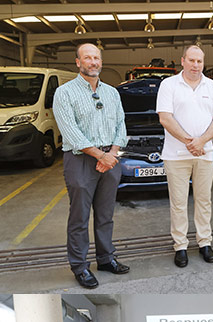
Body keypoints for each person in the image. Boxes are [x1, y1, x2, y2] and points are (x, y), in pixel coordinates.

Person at [52, 43, 129, 289]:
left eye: (96, 57)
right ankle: (80, 266)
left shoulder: (112, 93)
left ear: (101, 61)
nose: (93, 62)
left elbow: (121, 125)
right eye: (88, 58)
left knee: (106, 215)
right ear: (78, 62)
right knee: (80, 217)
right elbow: (71, 132)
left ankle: (106, 259)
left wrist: (112, 153)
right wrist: (100, 156)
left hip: (111, 159)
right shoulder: (64, 93)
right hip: (81, 161)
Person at [157, 45, 213, 269]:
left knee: (204, 200)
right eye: (192, 60)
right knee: (178, 203)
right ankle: (181, 246)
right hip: (176, 156)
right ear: (183, 61)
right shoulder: (169, 85)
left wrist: (201, 141)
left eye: (200, 61)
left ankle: (204, 242)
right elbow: (165, 118)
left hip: (205, 154)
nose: (196, 65)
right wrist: (190, 141)